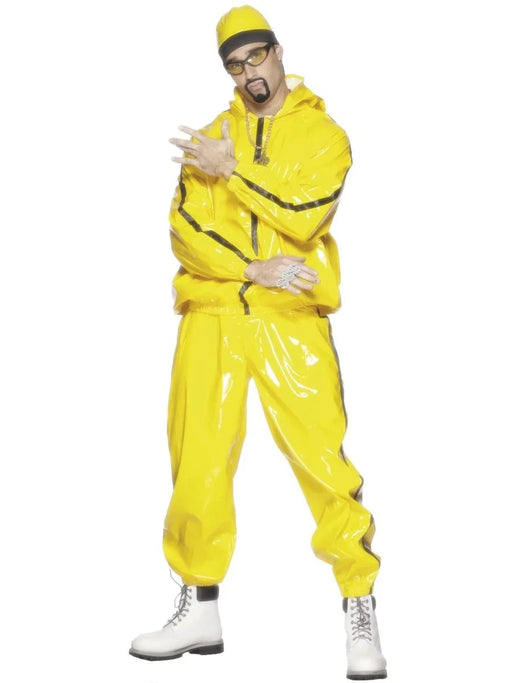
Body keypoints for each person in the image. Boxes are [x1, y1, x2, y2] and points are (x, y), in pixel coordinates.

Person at [129, 5, 387, 679]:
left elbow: (305, 214)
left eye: (256, 57)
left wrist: (234, 170)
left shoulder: (324, 134)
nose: (248, 74)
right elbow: (185, 231)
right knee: (197, 459)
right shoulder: (208, 138)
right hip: (212, 314)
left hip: (291, 318)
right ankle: (199, 604)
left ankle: (359, 604)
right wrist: (251, 268)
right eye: (234, 65)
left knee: (323, 461)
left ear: (278, 52)